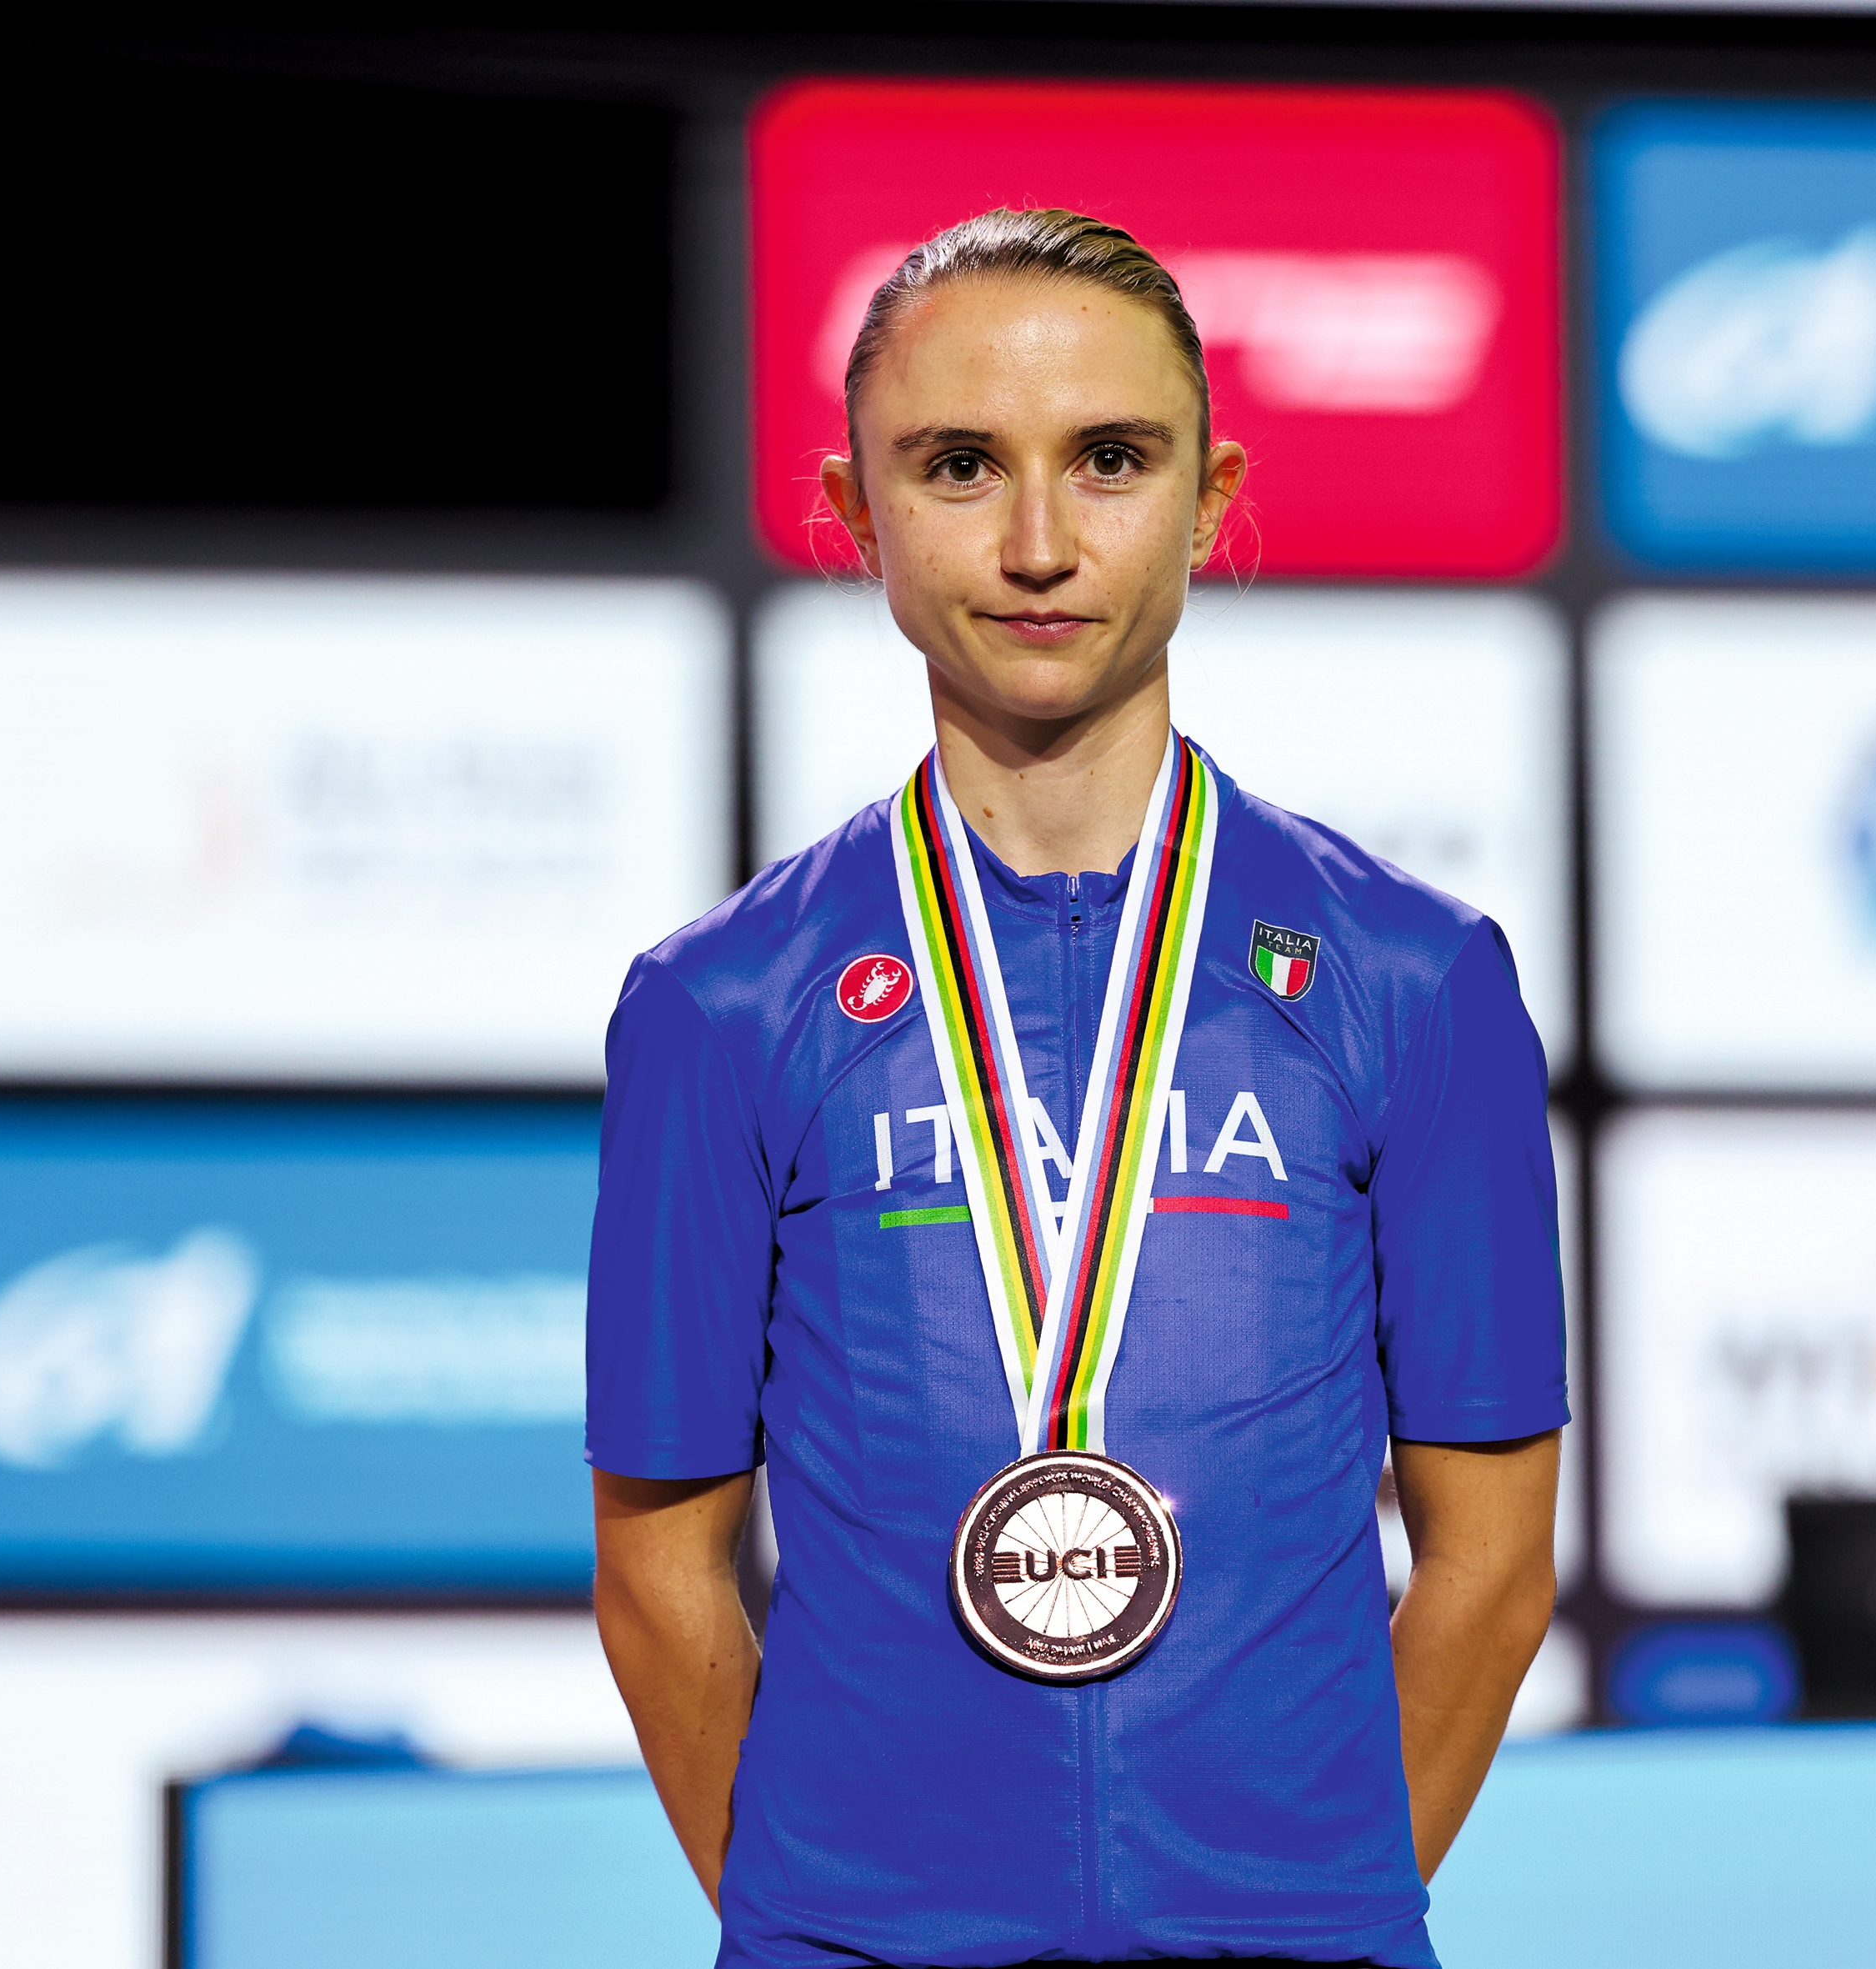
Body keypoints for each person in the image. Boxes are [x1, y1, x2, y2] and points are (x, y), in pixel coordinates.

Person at [586, 207, 1565, 1969]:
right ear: (851, 512)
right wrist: (832, 1916)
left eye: (1109, 459)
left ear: (1207, 496)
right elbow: (661, 1576)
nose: (1039, 541)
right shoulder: (717, 1005)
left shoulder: (1417, 979)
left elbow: (1489, 1567)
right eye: (958, 465)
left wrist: (1310, 1899)